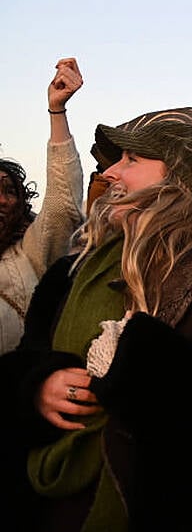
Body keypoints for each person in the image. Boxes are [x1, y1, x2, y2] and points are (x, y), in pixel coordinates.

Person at [0, 119, 192, 532]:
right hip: (43, 527)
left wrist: (150, 355)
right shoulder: (68, 274)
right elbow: (21, 363)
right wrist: (37, 388)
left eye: (132, 159)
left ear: (181, 177)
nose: (110, 172)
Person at [0, 58, 85, 354]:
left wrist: (57, 110)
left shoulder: (29, 253)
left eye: (10, 191)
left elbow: (63, 205)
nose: (1, 199)